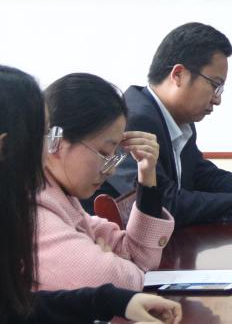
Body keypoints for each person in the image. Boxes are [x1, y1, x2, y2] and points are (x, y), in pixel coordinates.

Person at [0, 65, 181, 324]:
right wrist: (112, 276)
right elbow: (118, 278)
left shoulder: (59, 199)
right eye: (44, 137)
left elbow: (17, 309)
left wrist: (112, 298)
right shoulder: (31, 209)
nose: (48, 149)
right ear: (5, 148)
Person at [98, 22, 232, 226]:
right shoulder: (132, 119)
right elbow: (162, 205)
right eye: (215, 85)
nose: (217, 99)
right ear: (178, 75)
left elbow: (199, 173)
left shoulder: (178, 119)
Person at [37, 73, 174, 291]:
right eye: (103, 153)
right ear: (57, 141)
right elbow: (116, 279)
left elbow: (141, 258)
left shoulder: (66, 202)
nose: (110, 170)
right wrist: (118, 264)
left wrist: (147, 174)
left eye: (113, 156)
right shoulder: (34, 209)